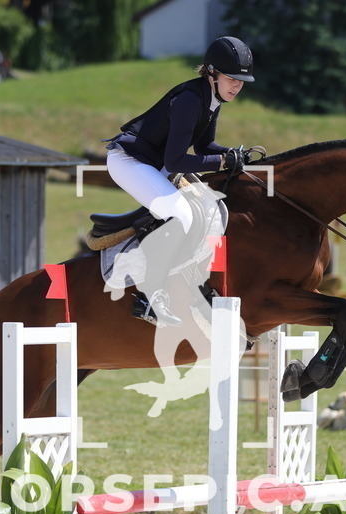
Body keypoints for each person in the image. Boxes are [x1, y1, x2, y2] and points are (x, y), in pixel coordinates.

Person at [104, 35, 255, 326]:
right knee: (180, 214)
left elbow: (202, 149)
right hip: (130, 161)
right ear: (211, 72)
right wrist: (224, 162)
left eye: (242, 80)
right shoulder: (190, 100)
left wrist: (234, 154)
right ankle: (151, 297)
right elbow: (176, 161)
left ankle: (195, 285)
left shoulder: (212, 98)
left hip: (154, 162)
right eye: (231, 78)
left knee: (209, 210)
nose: (237, 85)